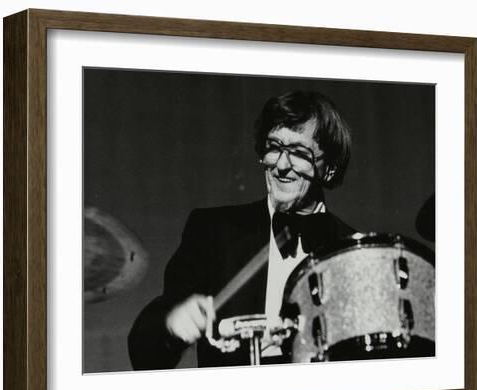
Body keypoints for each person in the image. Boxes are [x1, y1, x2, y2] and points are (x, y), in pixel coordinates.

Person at [128, 90, 354, 370]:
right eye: (274, 147)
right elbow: (147, 348)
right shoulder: (213, 231)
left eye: (298, 153)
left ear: (329, 168)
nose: (282, 165)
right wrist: (172, 325)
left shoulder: (353, 251)